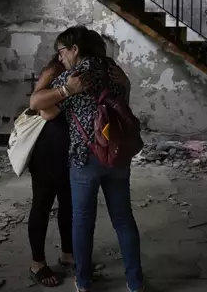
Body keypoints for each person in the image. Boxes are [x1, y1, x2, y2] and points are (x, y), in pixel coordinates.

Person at [30, 26, 143, 292]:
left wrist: (64, 92)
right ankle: (136, 283)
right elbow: (123, 102)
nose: (61, 58)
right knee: (124, 220)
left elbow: (36, 103)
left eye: (62, 52)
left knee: (82, 220)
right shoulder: (115, 72)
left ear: (75, 50)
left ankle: (83, 282)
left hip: (85, 158)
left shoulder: (75, 76)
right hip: (117, 158)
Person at [26, 54, 73, 287]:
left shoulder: (81, 72)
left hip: (70, 153)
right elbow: (38, 105)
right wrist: (66, 92)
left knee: (68, 205)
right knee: (42, 205)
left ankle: (67, 254)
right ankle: (37, 263)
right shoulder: (55, 69)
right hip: (46, 152)